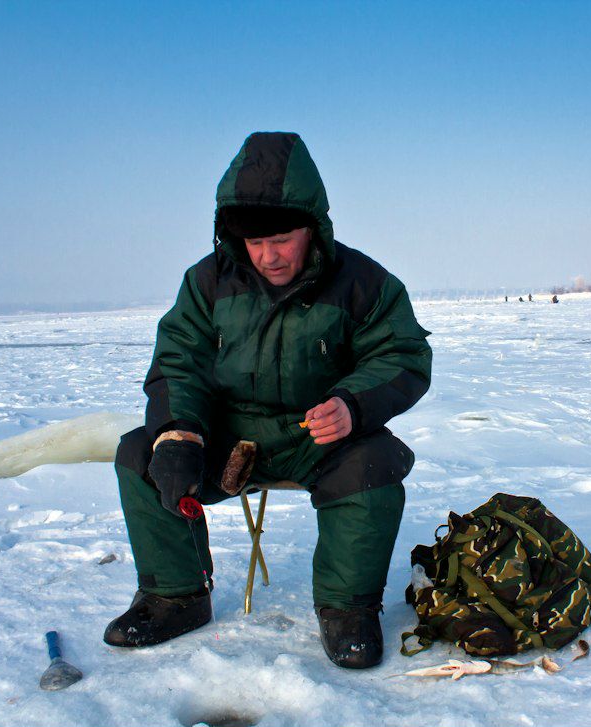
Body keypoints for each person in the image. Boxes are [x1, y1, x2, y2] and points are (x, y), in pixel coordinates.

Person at [103, 132, 432, 669]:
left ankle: (348, 611)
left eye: (281, 238)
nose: (268, 255)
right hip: (225, 434)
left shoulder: (362, 282)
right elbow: (177, 360)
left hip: (317, 436)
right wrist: (180, 430)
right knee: (142, 454)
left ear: (314, 226)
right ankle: (174, 597)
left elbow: (403, 355)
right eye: (255, 243)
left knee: (374, 463)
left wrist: (353, 403)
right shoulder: (207, 282)